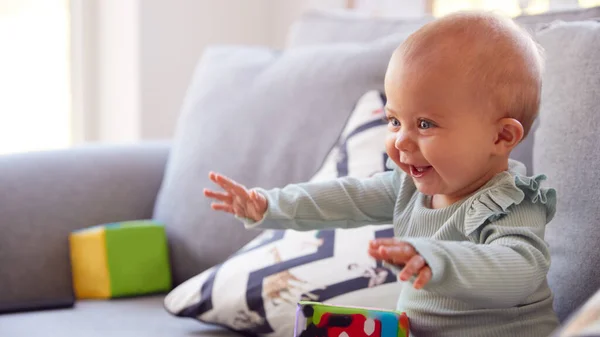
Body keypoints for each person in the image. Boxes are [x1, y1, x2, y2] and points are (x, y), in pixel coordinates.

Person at [203, 10, 559, 337]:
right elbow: (346, 198)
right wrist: (270, 205)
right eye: (394, 121)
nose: (401, 141)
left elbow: (519, 268)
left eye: (425, 124)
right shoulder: (409, 188)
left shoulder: (510, 201)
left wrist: (436, 259)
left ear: (501, 136)